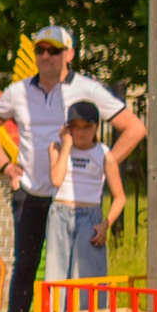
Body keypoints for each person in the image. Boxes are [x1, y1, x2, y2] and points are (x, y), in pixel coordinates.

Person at [0, 24, 145, 312]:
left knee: (77, 275)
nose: (46, 56)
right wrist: (6, 165)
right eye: (40, 50)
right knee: (25, 265)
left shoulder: (87, 89)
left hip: (72, 199)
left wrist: (103, 165)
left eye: (54, 50)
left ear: (69, 53)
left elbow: (135, 128)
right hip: (30, 191)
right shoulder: (18, 91)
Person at [43, 98, 125, 290]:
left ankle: (88, 311)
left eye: (86, 127)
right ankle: (57, 311)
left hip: (89, 216)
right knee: (56, 275)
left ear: (95, 127)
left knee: (87, 277)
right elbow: (56, 180)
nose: (80, 133)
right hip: (60, 213)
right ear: (67, 128)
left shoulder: (103, 154)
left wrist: (105, 224)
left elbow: (120, 197)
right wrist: (66, 145)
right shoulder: (57, 148)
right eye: (75, 127)